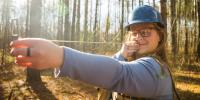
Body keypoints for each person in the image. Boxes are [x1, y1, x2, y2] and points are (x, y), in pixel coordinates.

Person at [10, 5, 179, 100]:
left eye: (145, 32)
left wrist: (61, 57)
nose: (138, 38)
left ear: (160, 36)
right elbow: (108, 84)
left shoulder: (156, 70)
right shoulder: (133, 62)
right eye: (134, 32)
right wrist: (121, 54)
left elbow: (120, 75)